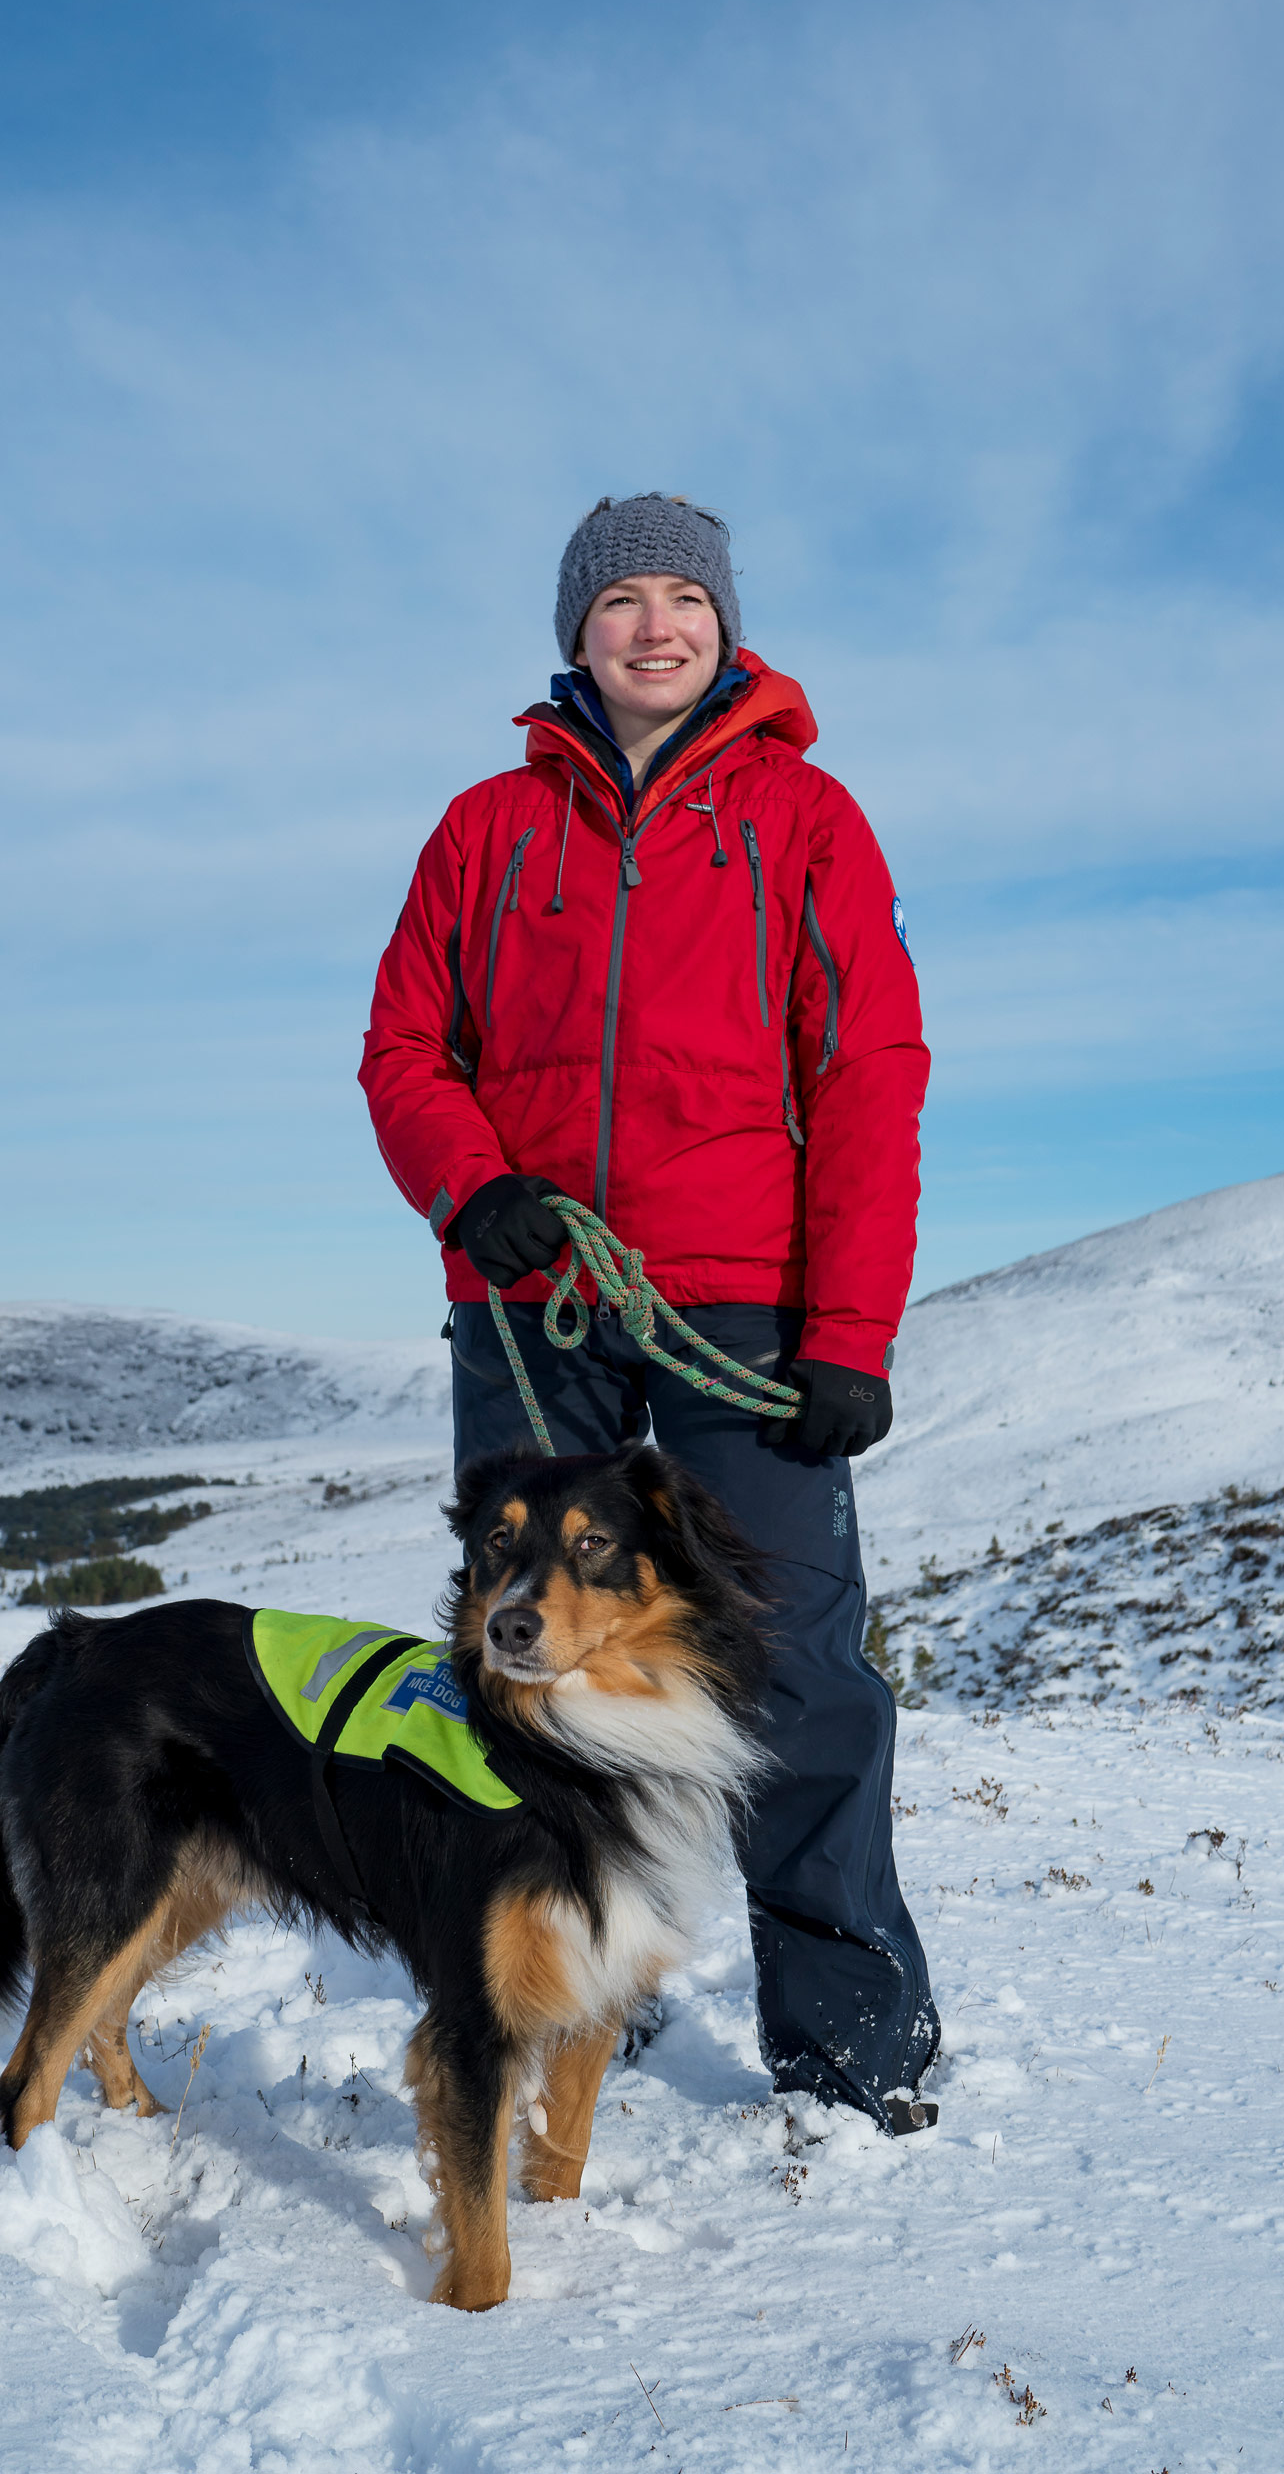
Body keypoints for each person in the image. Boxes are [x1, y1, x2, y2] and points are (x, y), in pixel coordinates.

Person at [359, 491, 938, 2131]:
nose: (656, 625)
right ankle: (515, 2001)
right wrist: (475, 1190)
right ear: (577, 633)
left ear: (726, 624)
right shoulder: (484, 829)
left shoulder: (808, 822)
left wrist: (849, 1336)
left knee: (802, 1671)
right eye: (623, 602)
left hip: (743, 1318)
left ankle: (851, 2061)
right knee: (520, 1666)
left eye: (686, 596)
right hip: (533, 1304)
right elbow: (405, 1051)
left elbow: (870, 1079)